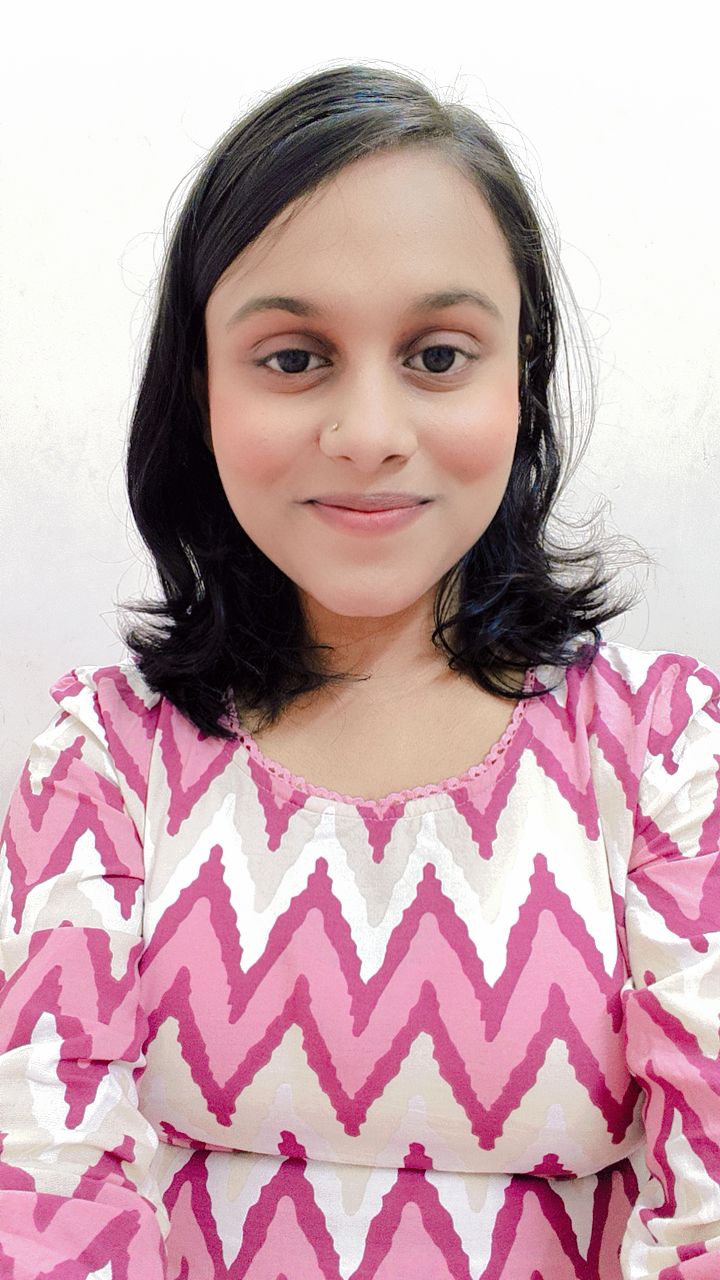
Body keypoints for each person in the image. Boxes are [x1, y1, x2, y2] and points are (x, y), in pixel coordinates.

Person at [0, 61, 718, 1280]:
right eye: (294, 358)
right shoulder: (103, 764)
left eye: (437, 354)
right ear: (201, 385)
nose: (370, 433)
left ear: (522, 373)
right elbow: (44, 1188)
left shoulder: (668, 756)